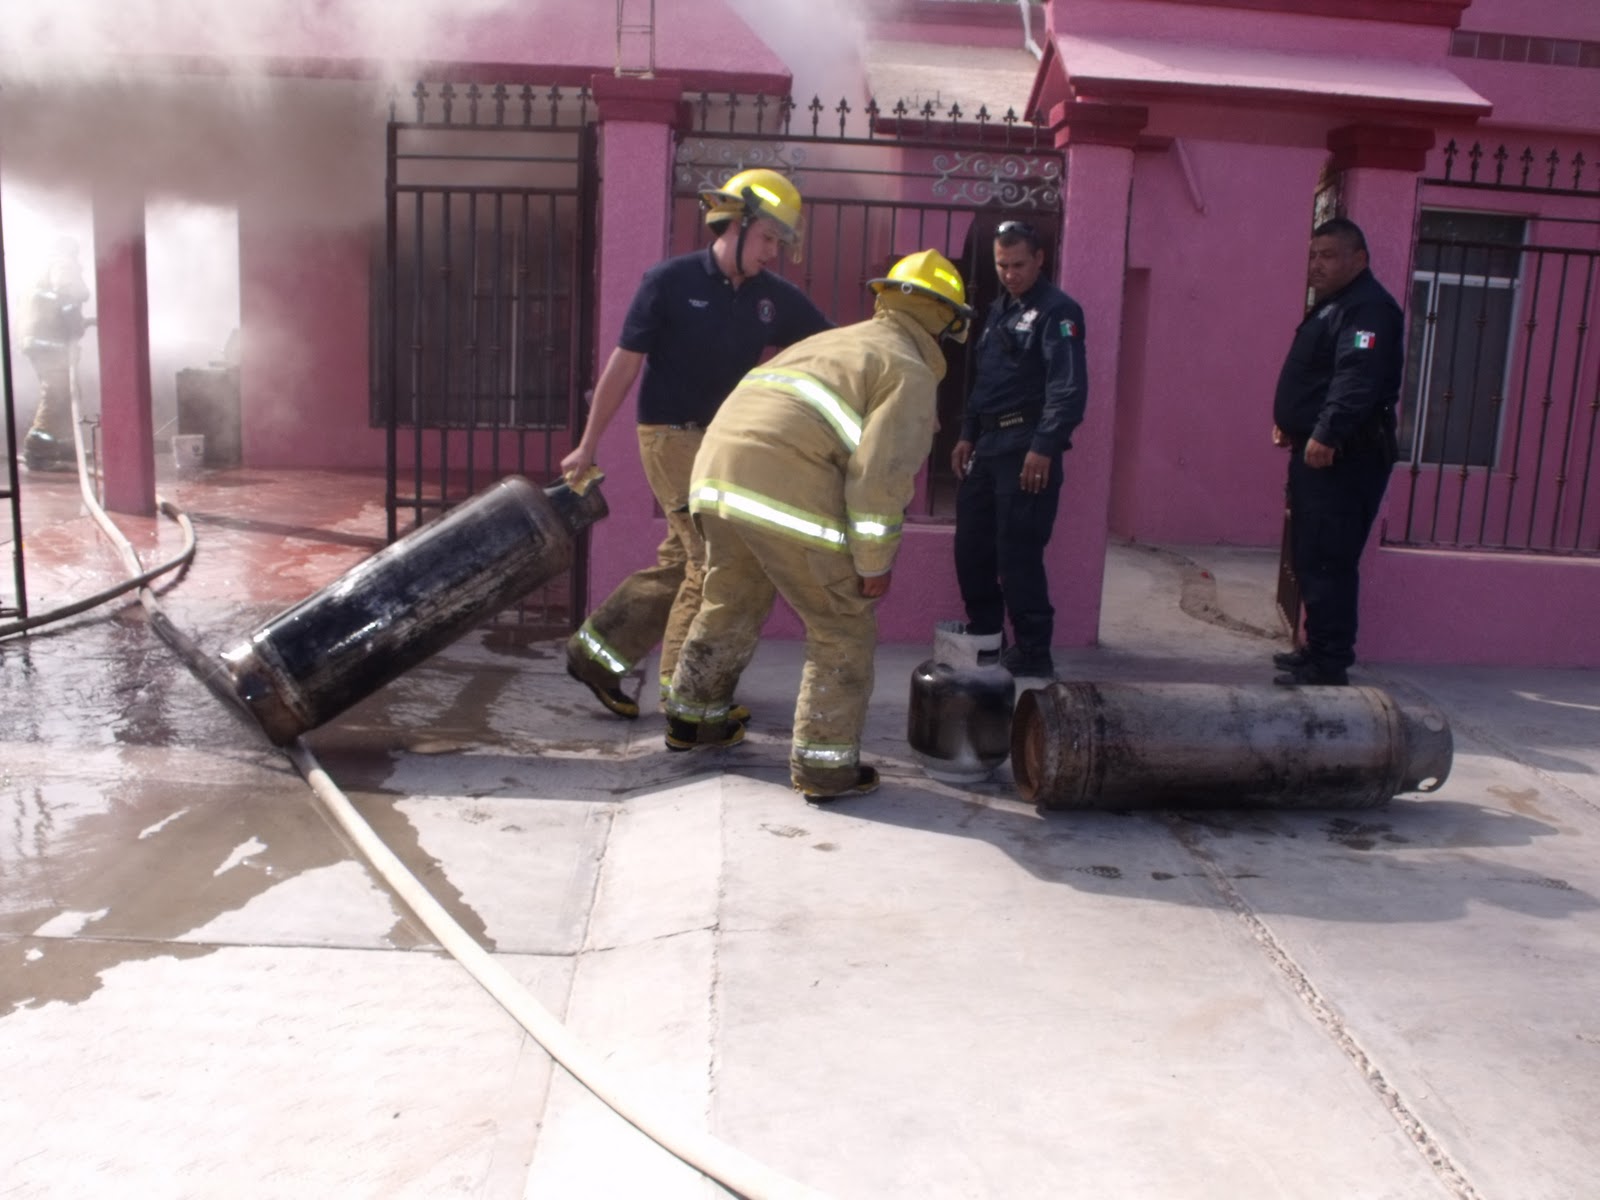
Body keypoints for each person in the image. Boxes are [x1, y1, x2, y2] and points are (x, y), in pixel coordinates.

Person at [663, 249, 974, 801]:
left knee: (731, 597)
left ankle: (692, 719)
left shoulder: (835, 341)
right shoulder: (908, 368)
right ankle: (825, 767)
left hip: (715, 477)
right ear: (944, 318)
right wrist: (874, 563)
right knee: (843, 626)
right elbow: (880, 478)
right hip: (777, 486)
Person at [559, 169, 830, 720]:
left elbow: (829, 344)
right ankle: (680, 691)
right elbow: (624, 363)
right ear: (737, 224)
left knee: (683, 556)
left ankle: (596, 655)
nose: (773, 253)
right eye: (768, 239)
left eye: (779, 242)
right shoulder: (669, 281)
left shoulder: (773, 299)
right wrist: (588, 444)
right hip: (668, 436)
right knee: (708, 558)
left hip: (720, 443)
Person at [950, 220, 1087, 680]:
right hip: (987, 448)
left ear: (1040, 259)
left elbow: (1067, 388)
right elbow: (985, 380)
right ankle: (988, 637)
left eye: (1019, 265)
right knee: (972, 550)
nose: (1010, 273)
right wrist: (968, 431)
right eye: (1002, 265)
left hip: (1026, 450)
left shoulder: (1058, 311)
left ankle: (1032, 650)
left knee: (1017, 554)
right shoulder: (998, 309)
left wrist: (1044, 447)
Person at [1270, 216, 1404, 687]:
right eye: (1313, 255)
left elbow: (1356, 377)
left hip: (1345, 456)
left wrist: (1325, 433)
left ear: (1358, 259)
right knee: (1313, 553)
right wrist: (1295, 424)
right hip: (1320, 452)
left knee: (1329, 556)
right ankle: (1318, 648)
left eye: (1328, 256)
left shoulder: (1367, 309)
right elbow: (1320, 377)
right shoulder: (1336, 305)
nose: (1317, 265)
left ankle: (1329, 663)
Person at [20, 236, 92, 472]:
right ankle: (37, 450)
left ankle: (62, 446)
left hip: (41, 342)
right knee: (56, 394)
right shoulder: (63, 265)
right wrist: (76, 325)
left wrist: (81, 322)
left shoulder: (43, 268)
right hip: (50, 344)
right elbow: (67, 299)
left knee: (69, 393)